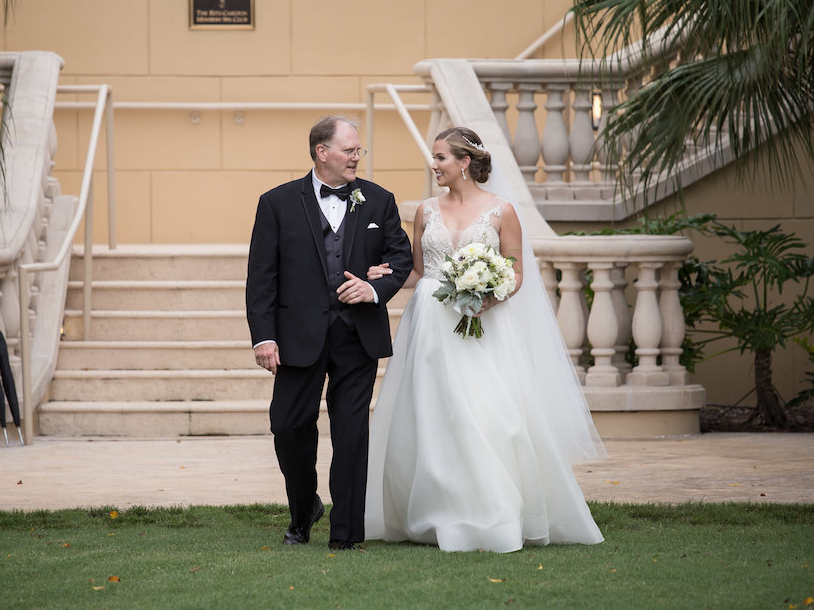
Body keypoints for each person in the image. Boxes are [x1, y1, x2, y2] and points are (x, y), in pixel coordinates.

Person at [363, 126, 605, 553]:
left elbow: (515, 270)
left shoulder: (502, 211)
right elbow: (420, 272)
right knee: (432, 415)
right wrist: (386, 277)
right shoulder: (425, 211)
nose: (433, 165)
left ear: (464, 163)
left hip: (482, 326)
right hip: (430, 325)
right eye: (434, 157)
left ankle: (494, 512)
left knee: (488, 414)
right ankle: (433, 513)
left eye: (440, 157)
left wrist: (488, 296)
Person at [246, 115, 413, 551]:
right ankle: (303, 511)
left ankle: (346, 535)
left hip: (358, 337)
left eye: (359, 150)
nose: (358, 156)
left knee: (352, 434)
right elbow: (261, 277)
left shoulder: (378, 199)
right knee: (287, 426)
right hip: (297, 337)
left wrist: (373, 288)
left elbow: (401, 258)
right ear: (322, 152)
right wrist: (264, 337)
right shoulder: (276, 202)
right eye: (350, 149)